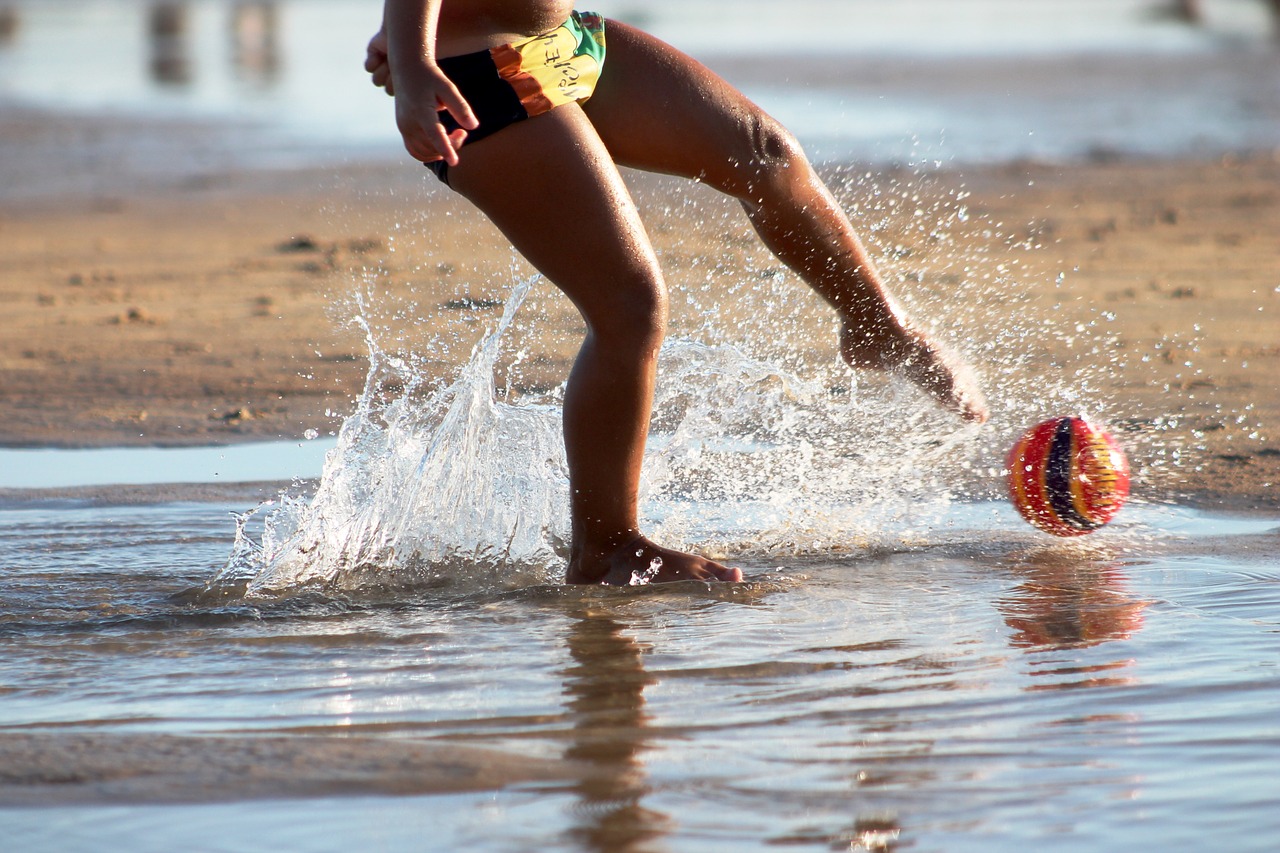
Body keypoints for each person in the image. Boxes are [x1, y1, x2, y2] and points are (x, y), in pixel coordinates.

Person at [365, 0, 989, 586]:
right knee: (629, 306)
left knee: (764, 154)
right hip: (478, 79)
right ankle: (606, 547)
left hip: (566, 41)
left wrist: (409, 28)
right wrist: (416, 56)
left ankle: (878, 328)